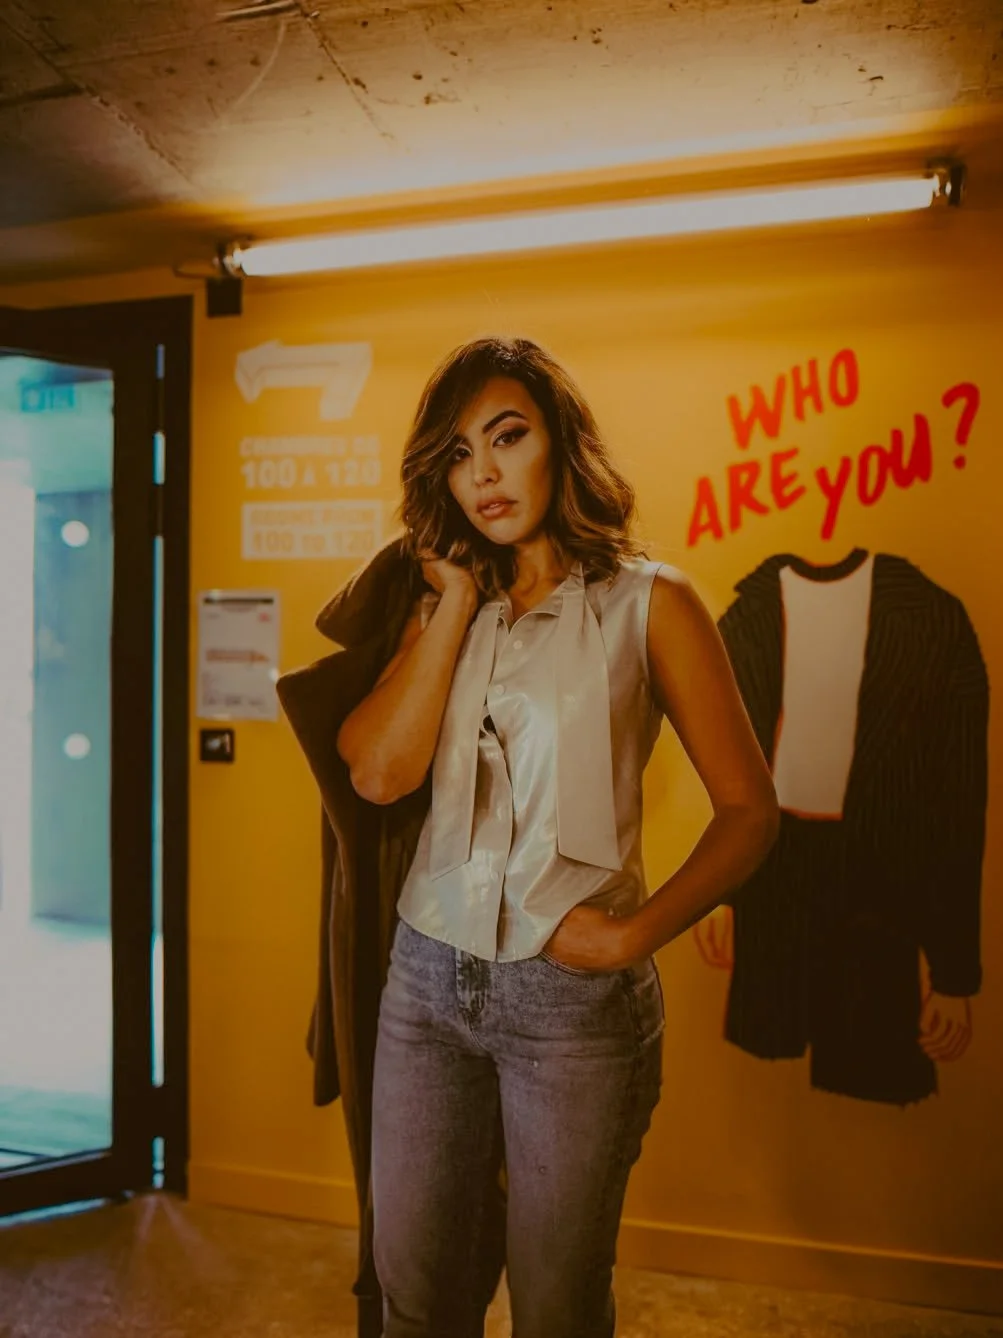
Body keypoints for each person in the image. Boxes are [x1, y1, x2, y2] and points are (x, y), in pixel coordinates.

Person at [335, 336, 779, 1338]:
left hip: (569, 1006)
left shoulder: (651, 602)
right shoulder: (444, 604)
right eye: (457, 454)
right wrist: (454, 605)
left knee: (555, 1310)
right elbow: (378, 773)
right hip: (424, 982)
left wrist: (631, 938)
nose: (483, 475)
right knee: (416, 1301)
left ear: (560, 443)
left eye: (507, 437)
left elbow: (750, 811)